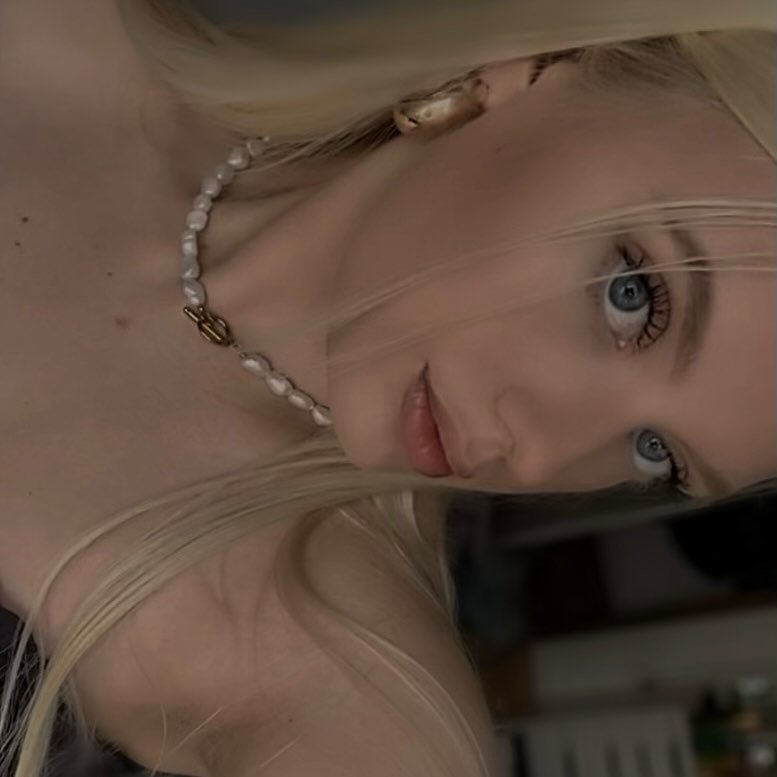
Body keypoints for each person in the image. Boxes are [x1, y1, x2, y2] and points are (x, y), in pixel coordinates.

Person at [0, 0, 774, 775]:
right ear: (527, 71)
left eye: (653, 452)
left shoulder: (351, 684)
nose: (540, 455)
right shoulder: (57, 32)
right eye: (630, 296)